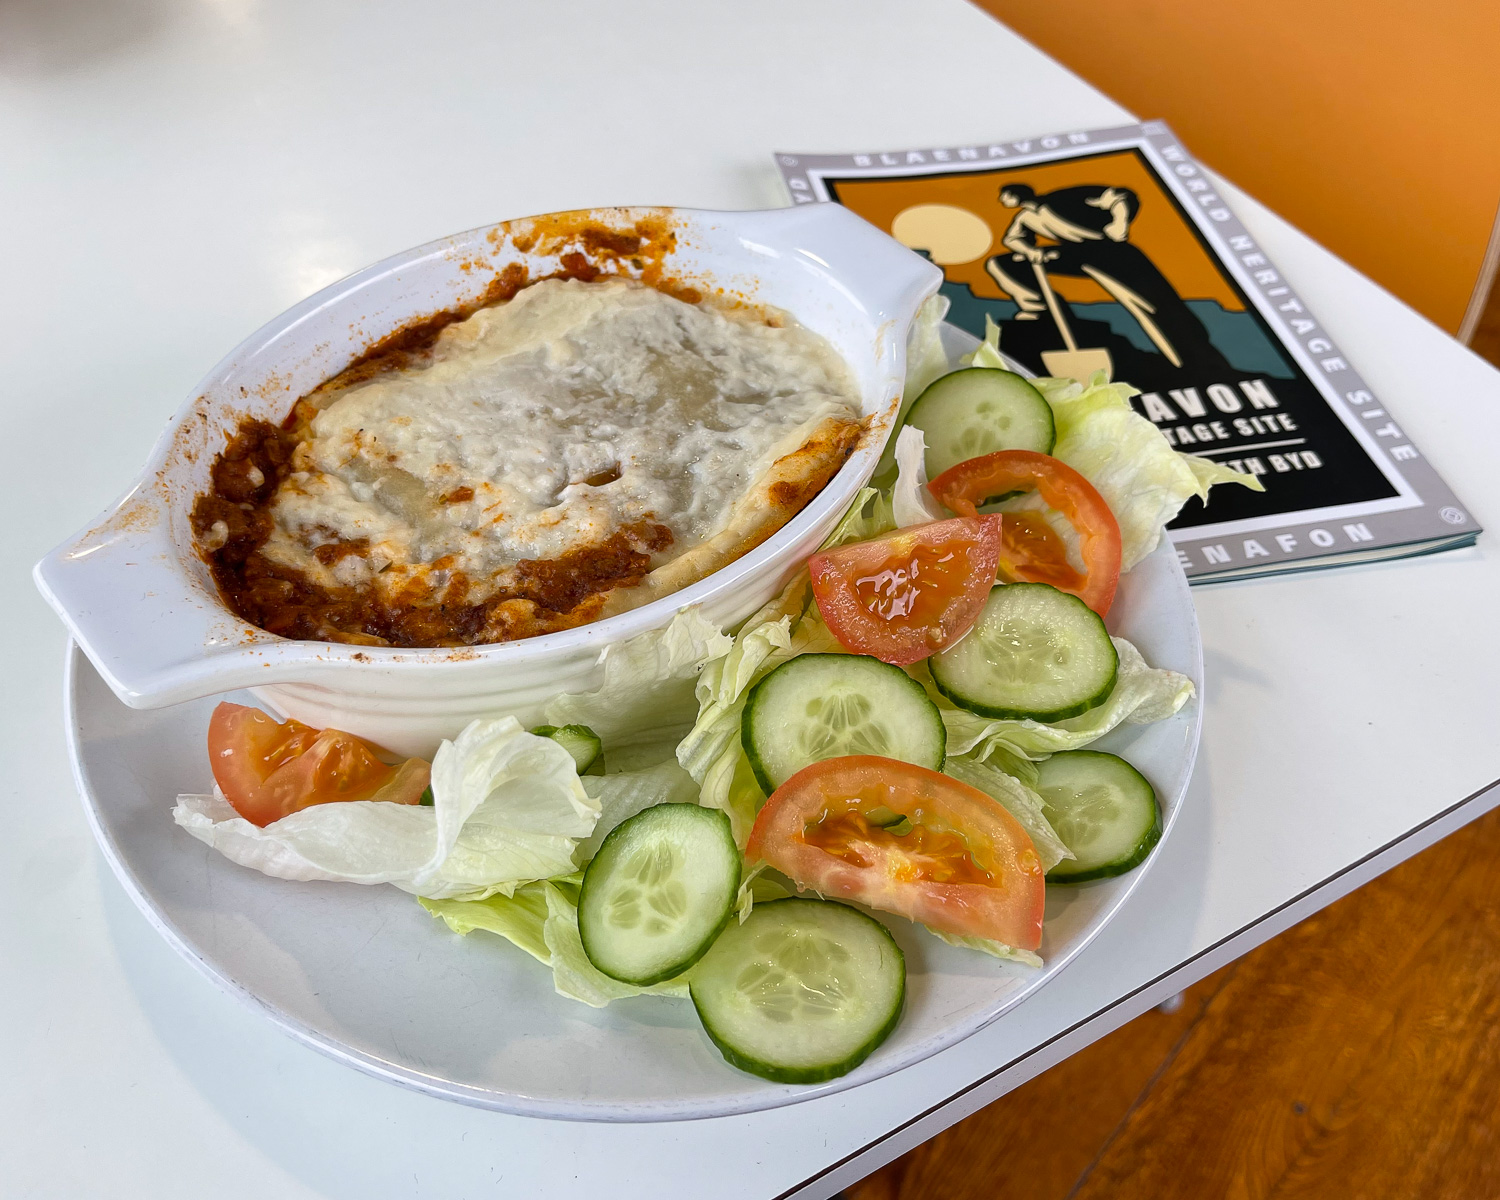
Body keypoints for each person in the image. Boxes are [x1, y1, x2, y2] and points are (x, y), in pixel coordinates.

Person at [985, 182, 1226, 371]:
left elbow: (1120, 197)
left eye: (1005, 195)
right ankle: (1039, 311)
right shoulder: (1026, 217)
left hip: (1110, 251)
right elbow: (1012, 239)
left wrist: (1120, 224)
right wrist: (1030, 251)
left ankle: (1195, 359)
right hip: (1075, 254)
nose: (1001, 200)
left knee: (1152, 305)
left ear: (1016, 194)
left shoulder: (1063, 197)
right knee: (1004, 263)